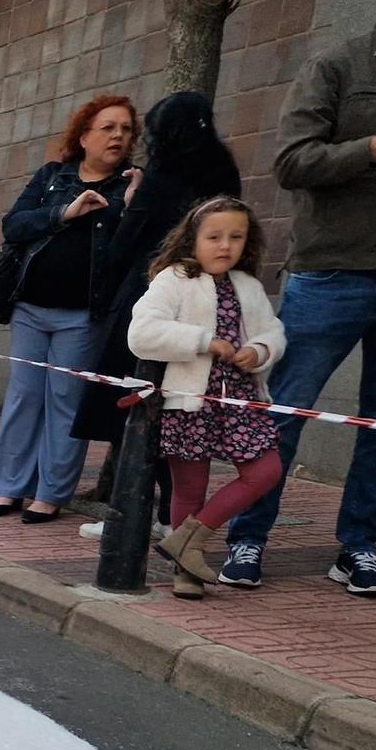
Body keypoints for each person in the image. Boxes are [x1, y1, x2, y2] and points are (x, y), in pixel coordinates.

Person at [217, 0, 376, 596]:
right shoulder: (337, 64)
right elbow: (290, 162)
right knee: (286, 411)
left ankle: (359, 548)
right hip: (332, 273)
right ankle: (247, 537)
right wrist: (371, 150)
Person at [0, 93, 138, 520]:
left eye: (125, 129)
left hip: (83, 315)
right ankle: (7, 487)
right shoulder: (53, 176)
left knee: (65, 401)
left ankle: (50, 493)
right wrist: (64, 212)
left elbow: (130, 254)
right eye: (108, 127)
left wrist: (132, 210)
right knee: (23, 397)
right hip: (31, 307)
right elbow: (14, 225)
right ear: (84, 135)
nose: (118, 136)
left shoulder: (129, 186)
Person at [72, 92, 242, 474]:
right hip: (204, 303)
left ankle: (129, 513)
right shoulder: (223, 172)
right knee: (184, 414)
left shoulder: (163, 174)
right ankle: (172, 512)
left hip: (148, 298)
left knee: (136, 408)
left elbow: (124, 245)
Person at [128, 197, 287, 598]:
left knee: (265, 471)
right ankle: (186, 572)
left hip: (240, 399)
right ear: (192, 240)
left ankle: (187, 543)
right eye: (214, 237)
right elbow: (141, 334)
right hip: (190, 401)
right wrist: (202, 341)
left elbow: (274, 331)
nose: (225, 246)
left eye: (236, 237)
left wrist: (261, 350)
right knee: (189, 489)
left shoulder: (248, 286)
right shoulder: (174, 279)